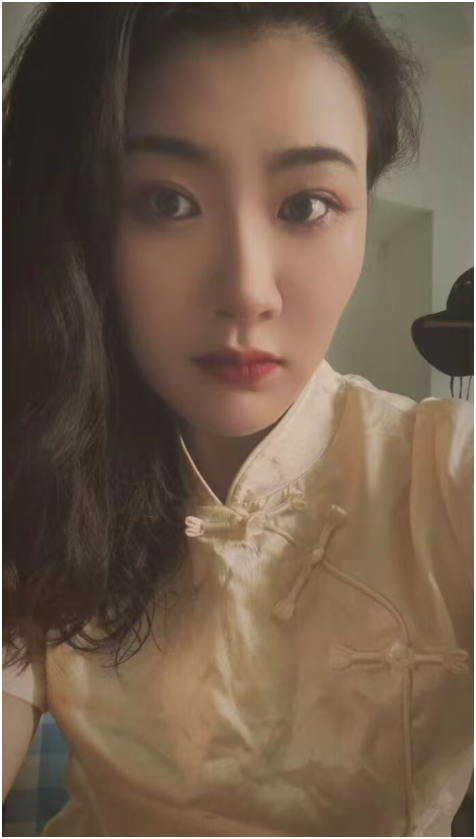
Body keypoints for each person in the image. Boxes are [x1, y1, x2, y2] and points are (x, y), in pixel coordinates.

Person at [2, 3, 473, 836]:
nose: (248, 290)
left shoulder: (443, 475)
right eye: (167, 201)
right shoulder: (36, 471)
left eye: (307, 206)